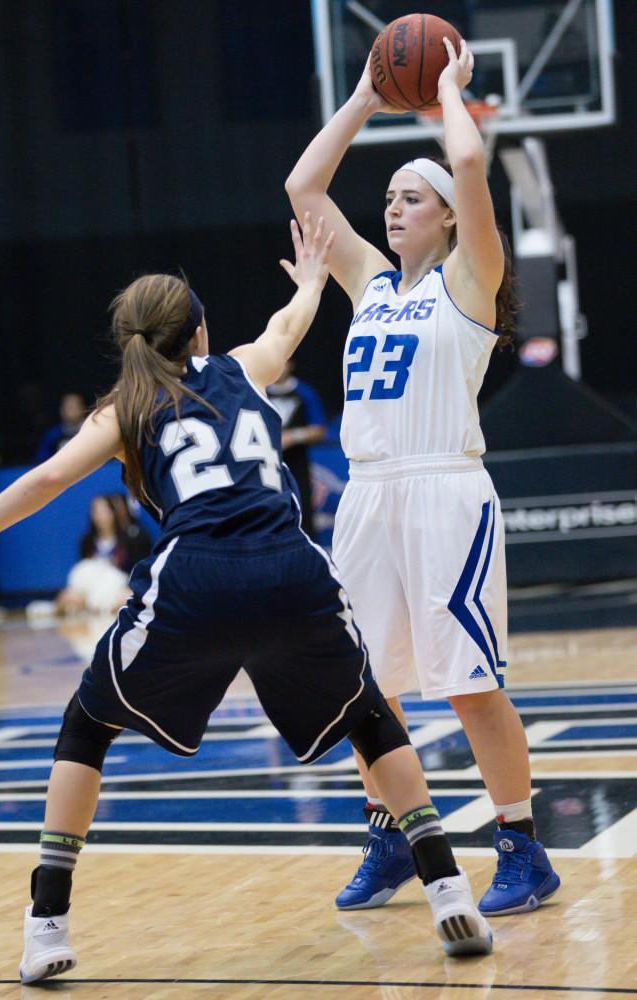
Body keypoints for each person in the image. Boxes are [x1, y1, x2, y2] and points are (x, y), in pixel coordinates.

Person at [0, 216, 492, 984]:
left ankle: (46, 924)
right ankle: (445, 888)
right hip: (289, 568)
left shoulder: (124, 409)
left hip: (197, 578)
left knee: (87, 723)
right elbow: (287, 328)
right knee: (368, 714)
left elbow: (41, 482)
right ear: (200, 330)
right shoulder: (239, 369)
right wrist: (308, 282)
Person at [285, 40, 559, 917]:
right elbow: (304, 190)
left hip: (445, 489)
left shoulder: (468, 285)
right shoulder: (368, 286)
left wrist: (443, 89)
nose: (393, 209)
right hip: (367, 495)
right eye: (390, 198)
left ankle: (521, 844)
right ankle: (396, 836)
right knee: (366, 688)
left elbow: (469, 158)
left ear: (447, 218)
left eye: (411, 198)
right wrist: (367, 94)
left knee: (470, 683)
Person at [266, 359, 328, 538]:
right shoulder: (259, 391)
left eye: (283, 362)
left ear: (290, 364)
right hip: (267, 465)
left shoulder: (304, 393)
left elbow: (319, 430)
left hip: (297, 464)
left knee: (302, 511)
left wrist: (293, 437)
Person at [35, 393, 88, 463]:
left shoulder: (91, 431)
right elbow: (41, 459)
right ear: (62, 410)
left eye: (76, 407)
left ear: (83, 408)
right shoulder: (53, 434)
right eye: (70, 407)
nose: (73, 411)